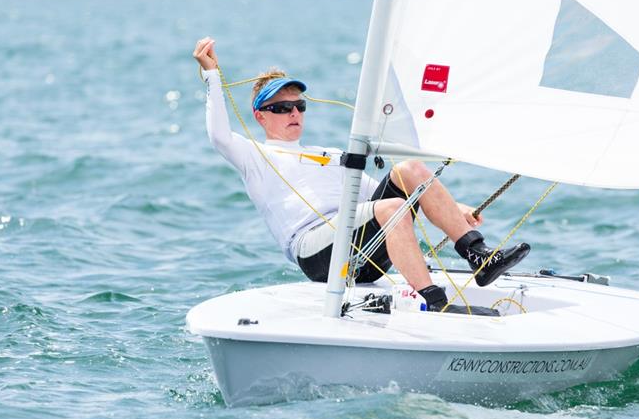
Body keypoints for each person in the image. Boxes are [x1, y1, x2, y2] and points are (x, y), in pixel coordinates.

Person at [193, 37, 530, 314]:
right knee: (390, 208)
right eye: (281, 108)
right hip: (317, 255)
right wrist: (212, 76)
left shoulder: (327, 155)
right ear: (261, 117)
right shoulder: (255, 155)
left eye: (299, 106)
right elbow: (219, 136)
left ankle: (479, 256)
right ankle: (435, 301)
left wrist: (456, 211)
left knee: (408, 170)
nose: (293, 113)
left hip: (361, 251)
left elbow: (383, 193)